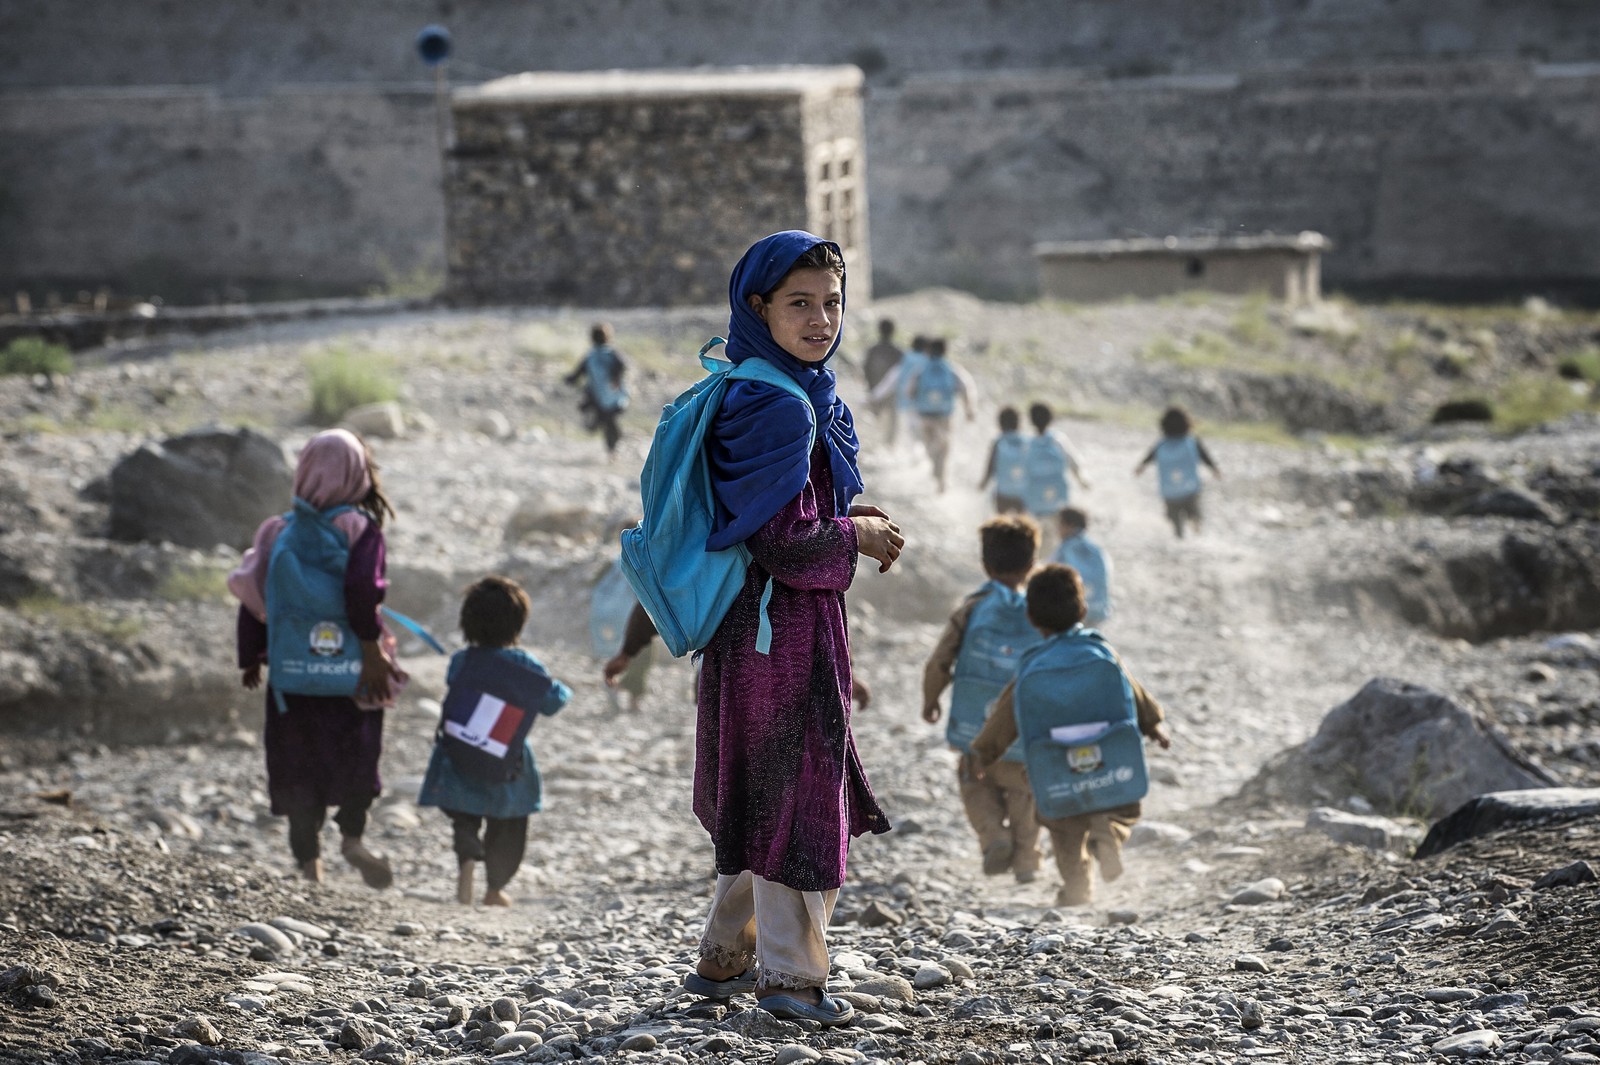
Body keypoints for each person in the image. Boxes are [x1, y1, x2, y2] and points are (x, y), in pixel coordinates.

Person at [679, 230, 903, 1028]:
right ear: (757, 306)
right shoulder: (778, 405)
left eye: (832, 303)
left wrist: (847, 516)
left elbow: (784, 513)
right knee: (802, 803)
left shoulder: (769, 385)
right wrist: (858, 539)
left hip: (758, 629)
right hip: (780, 633)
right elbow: (782, 540)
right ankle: (793, 978)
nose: (820, 319)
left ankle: (722, 957)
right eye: (799, 303)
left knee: (765, 791)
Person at [227, 429, 407, 887]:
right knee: (359, 757)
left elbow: (253, 598)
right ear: (356, 474)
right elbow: (362, 592)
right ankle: (351, 838)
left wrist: (251, 656)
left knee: (297, 769)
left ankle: (311, 868)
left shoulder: (277, 531)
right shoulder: (360, 528)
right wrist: (372, 653)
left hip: (293, 677)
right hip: (351, 673)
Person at [971, 564, 1171, 907]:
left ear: (1032, 618)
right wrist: (1154, 724)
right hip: (1109, 761)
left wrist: (983, 754)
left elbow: (1005, 717)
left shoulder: (1032, 663)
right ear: (1082, 610)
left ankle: (1077, 889)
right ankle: (1109, 834)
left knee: (1063, 827)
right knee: (1122, 806)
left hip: (1056, 769)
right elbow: (1133, 690)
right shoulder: (1101, 650)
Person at [417, 577, 571, 907]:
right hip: (507, 759)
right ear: (517, 623)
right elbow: (553, 702)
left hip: (460, 751)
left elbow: (453, 683)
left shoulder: (462, 660)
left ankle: (468, 853)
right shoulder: (527, 665)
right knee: (510, 823)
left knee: (464, 815)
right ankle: (494, 889)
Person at [921, 516, 1044, 884]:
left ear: (985, 565)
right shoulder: (1039, 610)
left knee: (975, 785)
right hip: (1023, 727)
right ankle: (1027, 861)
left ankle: (994, 839)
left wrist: (931, 698)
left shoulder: (972, 607)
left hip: (975, 726)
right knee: (1025, 792)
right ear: (1031, 565)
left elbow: (941, 659)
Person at [1135, 406, 1221, 538]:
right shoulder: (1192, 442)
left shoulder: (1161, 444)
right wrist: (1214, 469)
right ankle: (1195, 523)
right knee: (1194, 511)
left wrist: (1141, 467)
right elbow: (1205, 456)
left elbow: (1149, 457)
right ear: (1187, 423)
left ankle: (1179, 535)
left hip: (1169, 491)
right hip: (1190, 488)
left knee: (1174, 518)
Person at [903, 337, 976, 492]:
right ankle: (942, 479)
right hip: (944, 416)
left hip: (925, 414)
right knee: (944, 447)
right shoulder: (951, 369)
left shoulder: (921, 369)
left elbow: (909, 391)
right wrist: (969, 409)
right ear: (945, 351)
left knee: (930, 445)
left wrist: (915, 403)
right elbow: (965, 388)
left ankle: (935, 469)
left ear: (929, 351)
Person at [1023, 402, 1089, 548]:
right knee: (1058, 536)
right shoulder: (1058, 440)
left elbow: (1023, 473)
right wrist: (1082, 480)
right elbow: (1073, 461)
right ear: (1051, 419)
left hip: (1035, 500)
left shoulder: (1028, 443)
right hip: (1058, 497)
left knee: (1037, 536)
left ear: (1031, 421)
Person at [565, 322, 630, 457]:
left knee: (603, 423)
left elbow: (576, 375)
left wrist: (568, 380)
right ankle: (612, 451)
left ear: (592, 338)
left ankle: (612, 450)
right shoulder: (613, 353)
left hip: (598, 399)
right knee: (609, 423)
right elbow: (623, 365)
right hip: (616, 398)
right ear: (608, 337)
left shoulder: (590, 356)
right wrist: (616, 380)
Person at [1051, 507, 1112, 628]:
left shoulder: (1067, 548)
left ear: (1069, 525)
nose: (1057, 529)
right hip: (1098, 610)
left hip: (1073, 612)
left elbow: (1050, 572)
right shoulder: (1095, 549)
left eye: (1060, 524)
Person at [868, 334, 928, 446]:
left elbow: (890, 381)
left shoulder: (906, 361)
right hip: (927, 407)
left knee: (910, 436)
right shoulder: (929, 361)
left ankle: (914, 458)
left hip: (906, 404)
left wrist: (874, 396)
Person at [978, 406, 1029, 514]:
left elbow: (990, 466)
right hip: (1022, 493)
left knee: (1001, 523)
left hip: (1003, 493)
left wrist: (983, 483)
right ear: (1018, 423)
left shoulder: (998, 442)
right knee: (1022, 524)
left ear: (1000, 424)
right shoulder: (1027, 442)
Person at [862, 318, 904, 437]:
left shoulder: (872, 350)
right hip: (893, 395)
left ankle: (877, 446)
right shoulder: (898, 352)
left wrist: (870, 388)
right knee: (892, 425)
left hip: (874, 391)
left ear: (879, 330)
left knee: (875, 424)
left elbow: (866, 371)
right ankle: (889, 447)